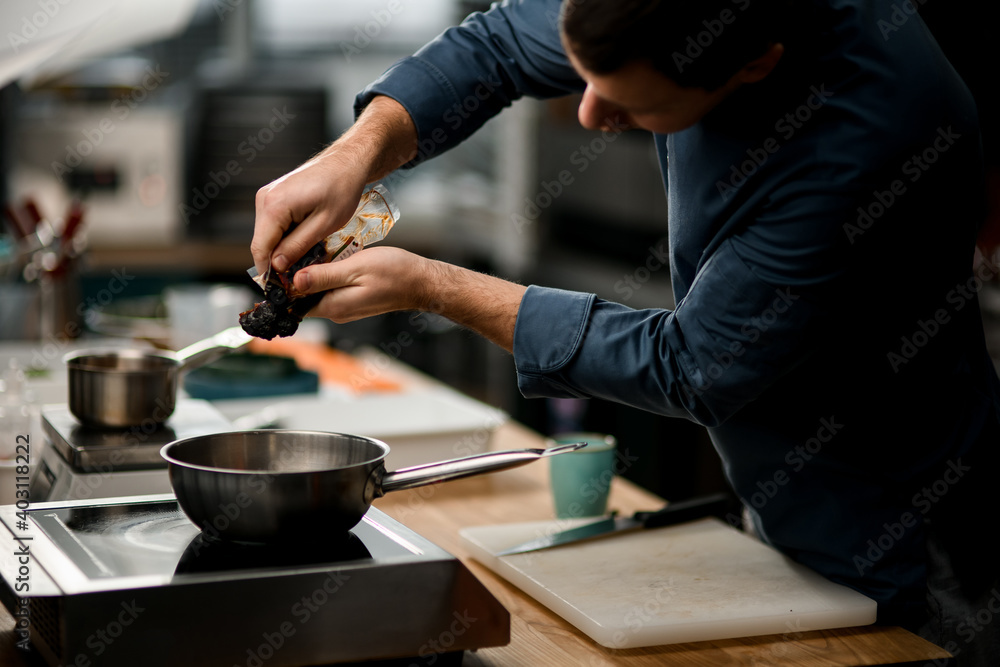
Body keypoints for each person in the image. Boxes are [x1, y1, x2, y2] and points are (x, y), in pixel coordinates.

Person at [250, 0, 1000, 662]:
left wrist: (432, 285)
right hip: (779, 507)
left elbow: (695, 363)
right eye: (589, 82)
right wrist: (353, 154)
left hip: (899, 539)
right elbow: (502, 43)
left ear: (756, 65)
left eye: (629, 106)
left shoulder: (868, 142)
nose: (587, 116)